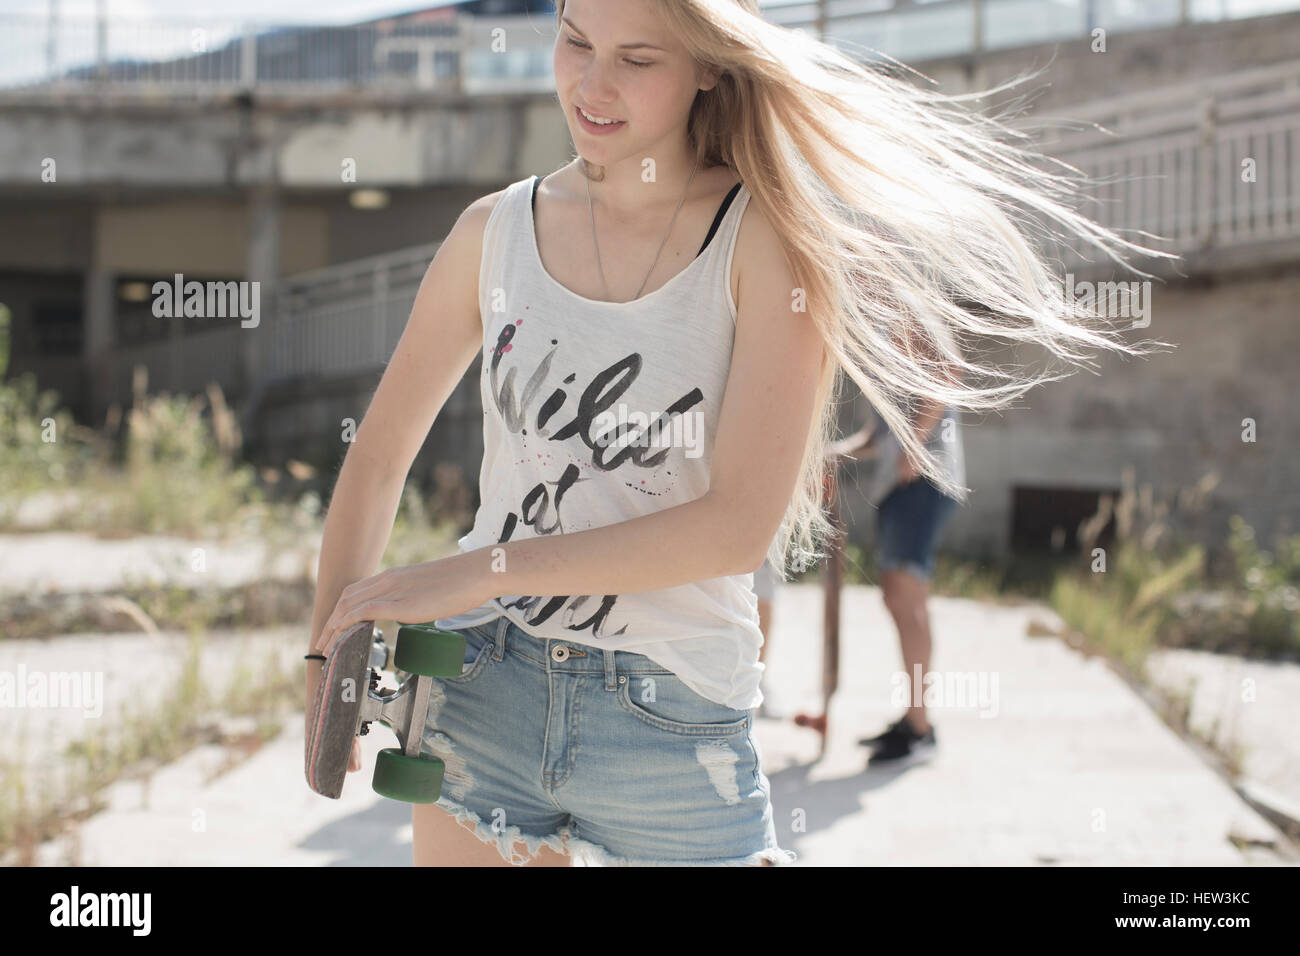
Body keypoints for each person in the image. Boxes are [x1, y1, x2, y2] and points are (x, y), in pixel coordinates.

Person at [306, 0, 1174, 867]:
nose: (593, 84)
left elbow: (737, 528)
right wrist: (329, 664)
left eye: (637, 60)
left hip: (669, 719)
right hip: (480, 685)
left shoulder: (770, 244)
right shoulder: (489, 236)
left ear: (709, 66)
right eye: (575, 43)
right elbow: (380, 458)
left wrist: (474, 571)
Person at [829, 399, 965, 765]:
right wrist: (840, 451)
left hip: (921, 477)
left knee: (903, 597)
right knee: (904, 597)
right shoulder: (885, 349)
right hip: (900, 482)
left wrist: (915, 445)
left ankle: (919, 730)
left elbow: (946, 372)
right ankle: (915, 722)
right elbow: (881, 433)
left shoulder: (912, 337)